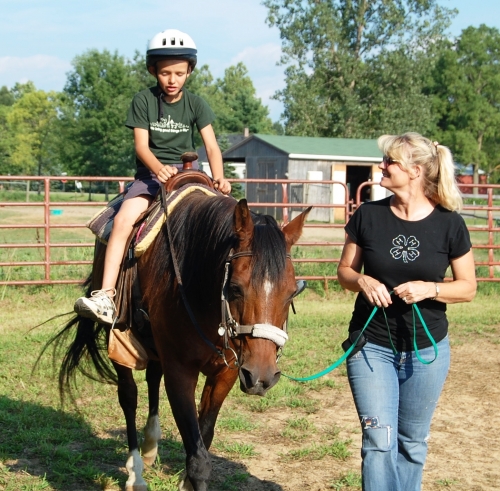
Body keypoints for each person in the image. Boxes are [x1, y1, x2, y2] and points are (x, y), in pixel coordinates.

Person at [337, 132, 476, 491]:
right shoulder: (368, 214)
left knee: (411, 444)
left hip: (427, 351)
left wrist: (430, 289)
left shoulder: (449, 224)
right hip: (372, 347)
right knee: (379, 442)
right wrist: (363, 283)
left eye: (389, 162)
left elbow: (468, 288)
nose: (382, 166)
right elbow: (345, 272)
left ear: (414, 171)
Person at [74, 29, 231, 324]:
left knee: (228, 222)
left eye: (180, 73)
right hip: (150, 177)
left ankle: (225, 296)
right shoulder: (143, 100)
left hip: (189, 175)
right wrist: (158, 168)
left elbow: (211, 146)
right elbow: (141, 146)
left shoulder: (197, 104)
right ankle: (106, 295)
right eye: (165, 73)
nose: (172, 80)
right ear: (153, 71)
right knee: (122, 221)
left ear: (189, 72)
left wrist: (219, 178)